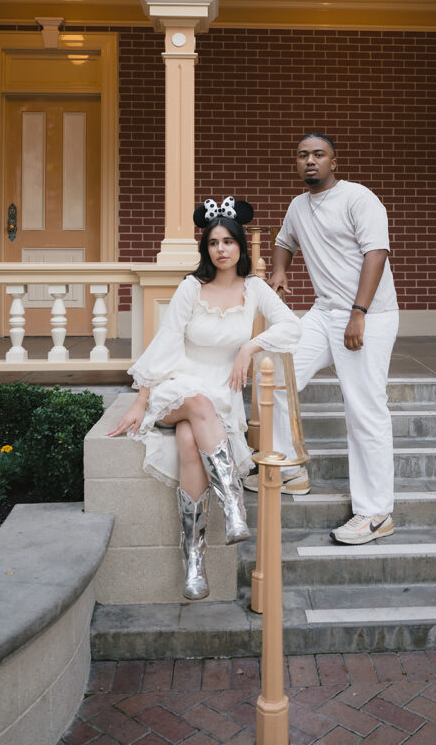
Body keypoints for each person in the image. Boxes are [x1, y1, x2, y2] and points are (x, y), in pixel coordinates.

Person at [108, 196, 301, 600]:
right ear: (206, 249)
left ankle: (194, 563)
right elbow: (166, 343)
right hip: (177, 387)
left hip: (221, 394)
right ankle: (233, 504)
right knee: (196, 403)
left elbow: (291, 327)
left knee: (187, 441)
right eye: (214, 243)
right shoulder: (190, 288)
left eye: (228, 242)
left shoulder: (255, 288)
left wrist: (250, 348)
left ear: (240, 247)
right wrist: (141, 402)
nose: (221, 249)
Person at [249, 133, 399, 545]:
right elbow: (283, 242)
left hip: (369, 315)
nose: (310, 161)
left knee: (364, 409)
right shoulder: (298, 206)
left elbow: (376, 253)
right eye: (303, 155)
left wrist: (359, 313)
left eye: (318, 155)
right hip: (324, 311)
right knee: (277, 369)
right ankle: (291, 465)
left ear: (334, 162)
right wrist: (279, 270)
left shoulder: (358, 198)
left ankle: (375, 512)